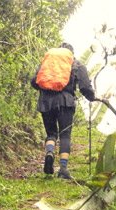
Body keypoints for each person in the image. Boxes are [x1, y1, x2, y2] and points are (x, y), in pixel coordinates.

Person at [31, 42, 97, 179]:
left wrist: (47, 90)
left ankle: (49, 153)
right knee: (65, 135)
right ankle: (63, 169)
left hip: (46, 102)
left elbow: (34, 81)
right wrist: (92, 97)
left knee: (51, 134)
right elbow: (85, 87)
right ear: (71, 53)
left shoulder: (47, 63)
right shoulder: (75, 63)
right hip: (65, 102)